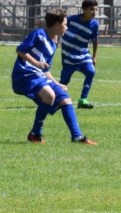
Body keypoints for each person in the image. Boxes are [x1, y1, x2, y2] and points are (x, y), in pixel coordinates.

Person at [14, 9, 96, 145]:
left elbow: (46, 69)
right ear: (57, 25)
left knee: (65, 99)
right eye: (65, 23)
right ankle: (35, 134)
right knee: (49, 96)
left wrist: (56, 83)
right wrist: (36, 63)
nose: (67, 26)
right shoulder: (39, 34)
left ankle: (77, 137)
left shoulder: (54, 43)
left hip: (39, 76)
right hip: (25, 75)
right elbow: (20, 50)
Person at [58, 0, 102, 109]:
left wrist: (94, 56)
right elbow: (59, 28)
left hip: (83, 54)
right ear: (84, 10)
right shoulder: (72, 20)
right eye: (91, 9)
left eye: (96, 9)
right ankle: (57, 98)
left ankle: (83, 99)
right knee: (64, 81)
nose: (94, 12)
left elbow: (95, 40)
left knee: (91, 71)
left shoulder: (94, 25)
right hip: (68, 55)